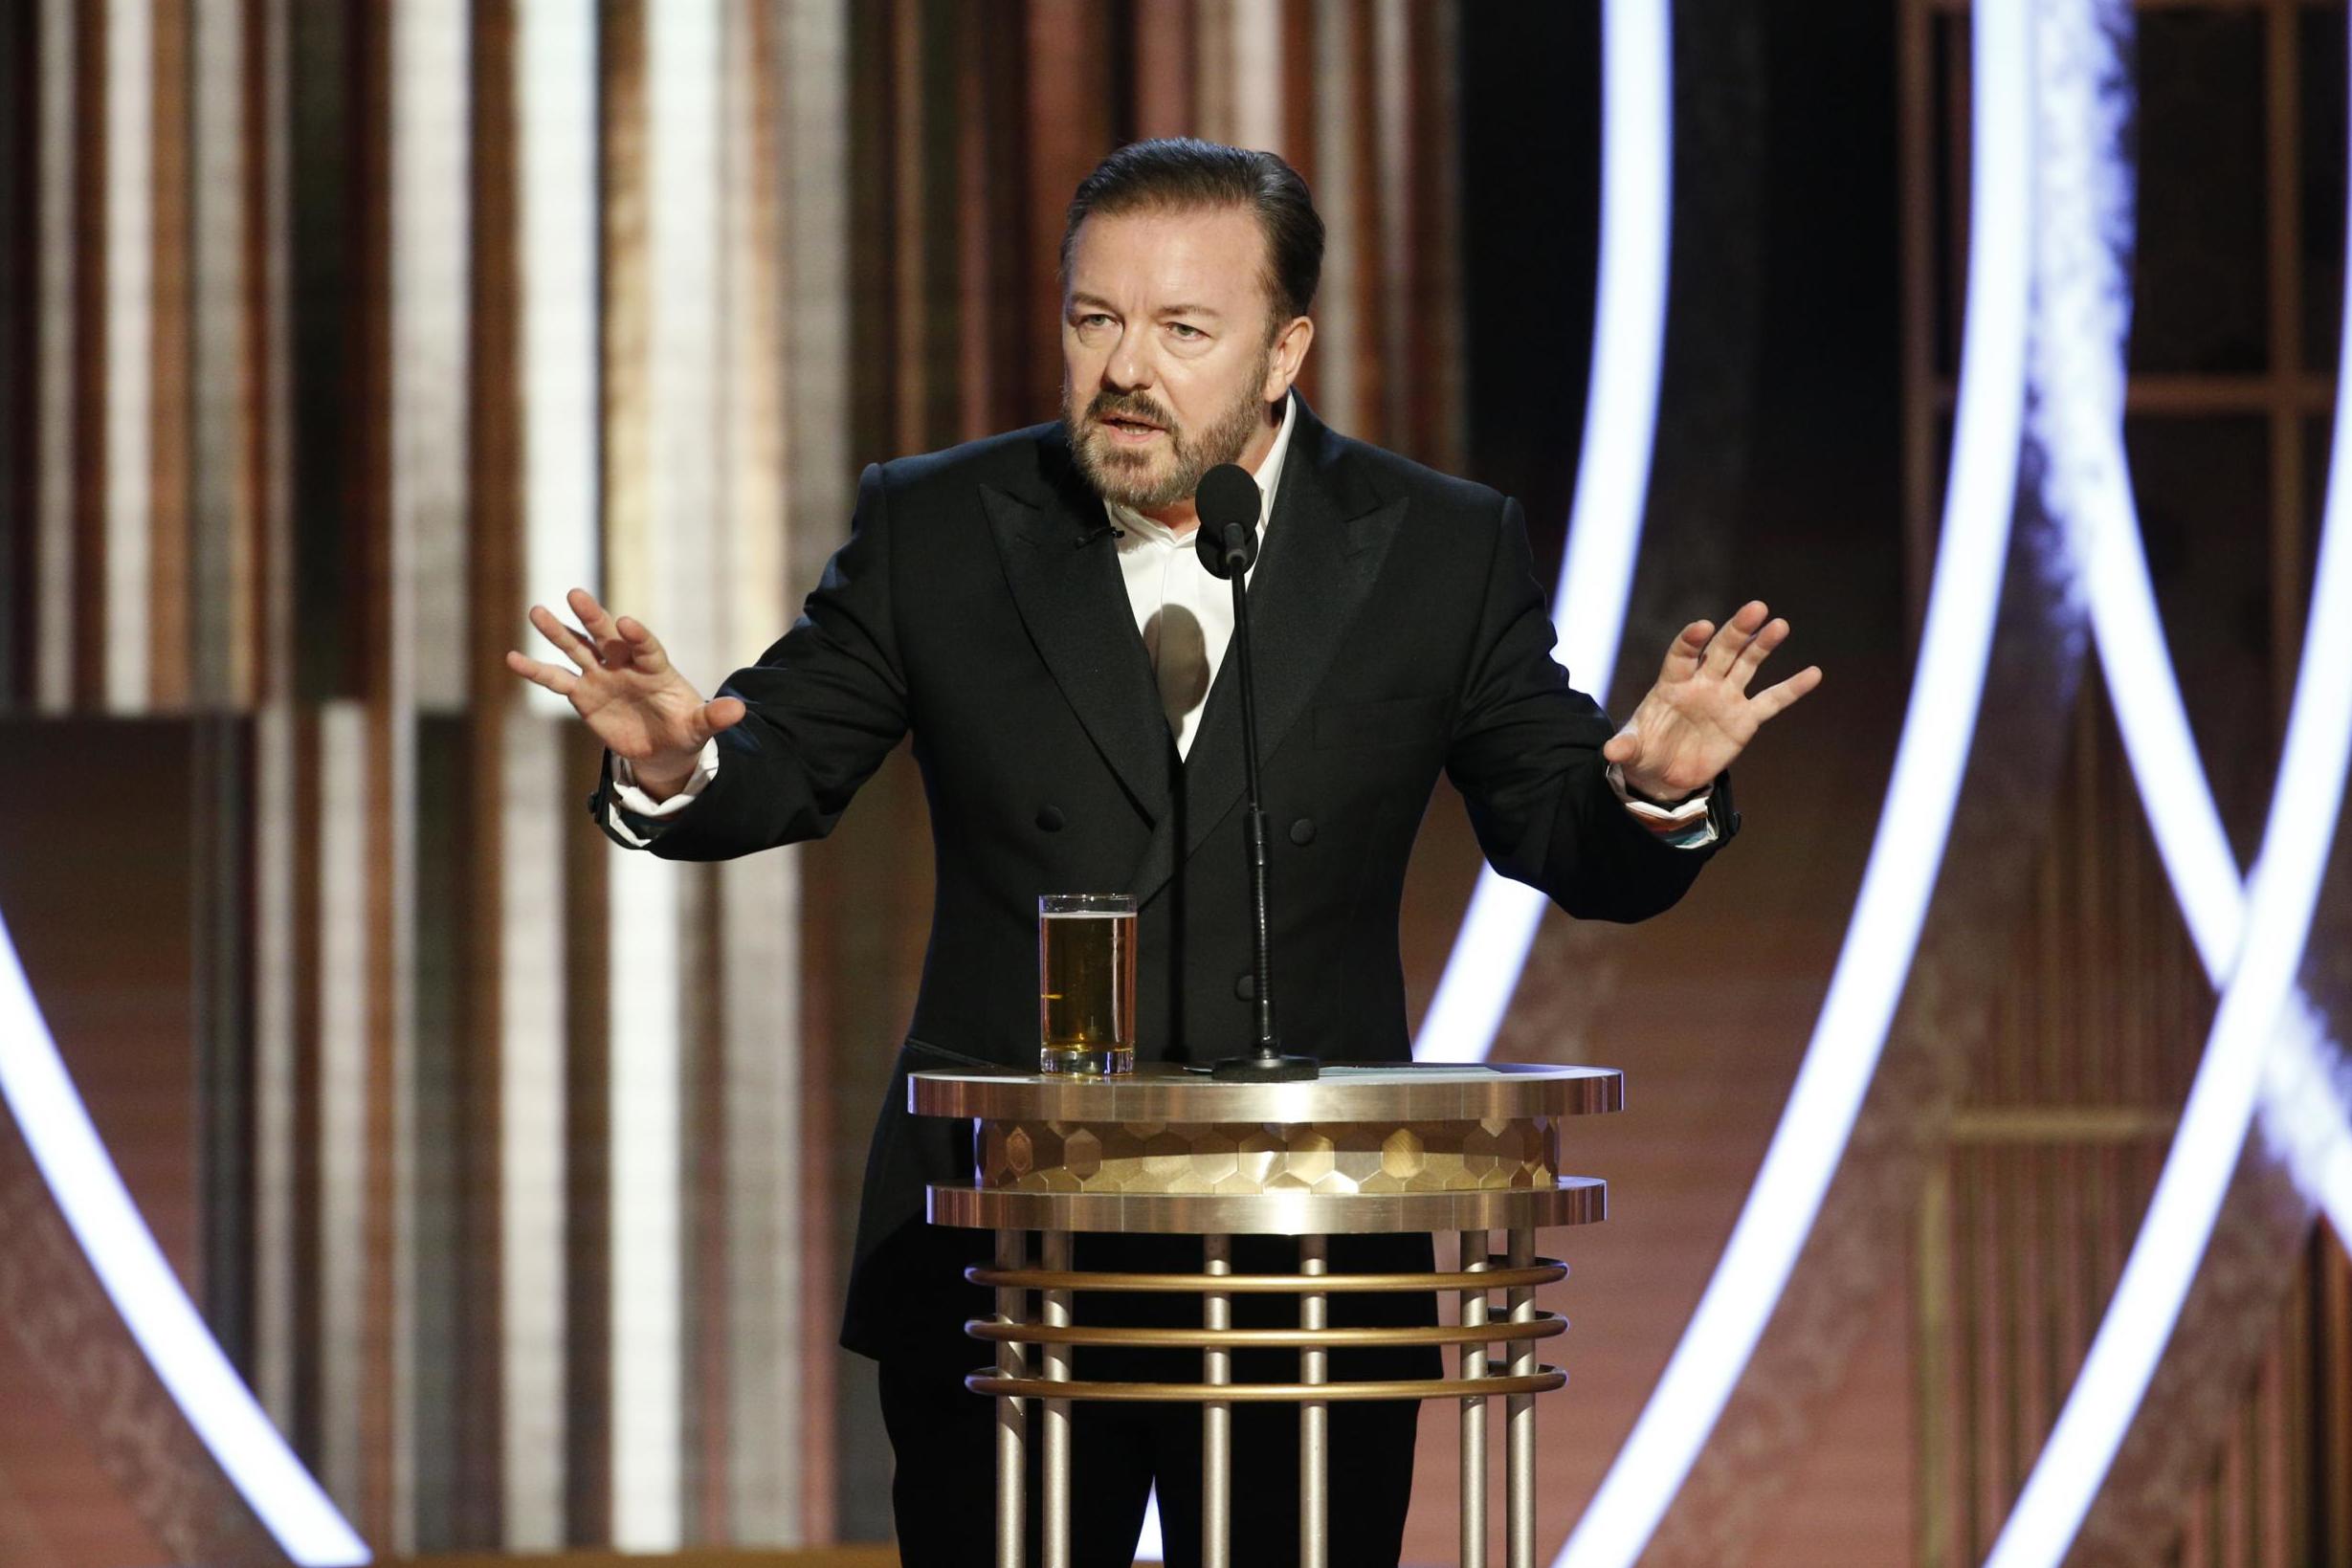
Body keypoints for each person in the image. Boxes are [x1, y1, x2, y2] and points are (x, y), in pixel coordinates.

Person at [507, 138, 1818, 1567]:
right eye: (1094, 319)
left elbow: (1558, 833)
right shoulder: (943, 524)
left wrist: (1654, 794)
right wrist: (672, 758)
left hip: (1307, 1259)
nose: (1125, 368)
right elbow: (781, 766)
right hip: (1002, 1244)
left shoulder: (1433, 547)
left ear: (1282, 349)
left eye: (1183, 330)